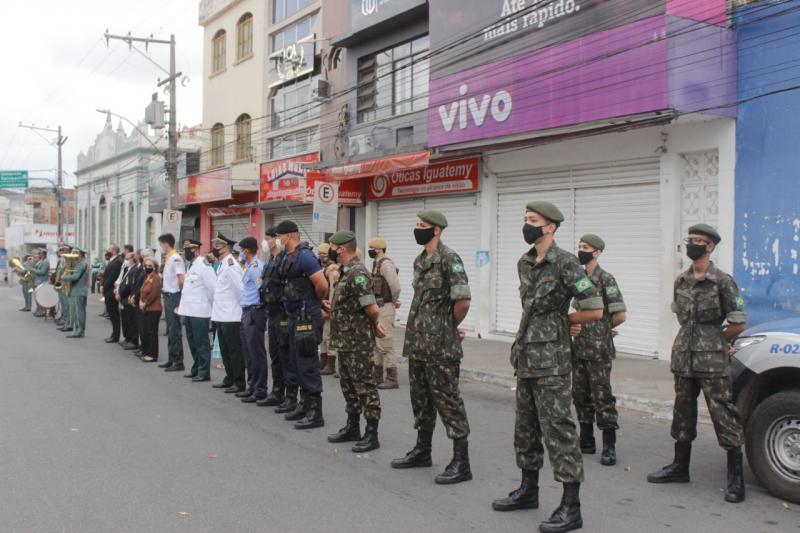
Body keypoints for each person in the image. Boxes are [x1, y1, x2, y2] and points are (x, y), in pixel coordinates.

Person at [491, 202, 603, 533]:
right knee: (525, 428)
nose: (527, 225)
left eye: (533, 221)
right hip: (526, 355)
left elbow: (594, 308)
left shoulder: (567, 262)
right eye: (525, 219)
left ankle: (571, 507)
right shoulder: (525, 262)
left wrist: (567, 319)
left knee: (559, 431)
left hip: (553, 360)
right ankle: (528, 490)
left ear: (550, 227)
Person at [647, 224, 747, 503]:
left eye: (698, 241)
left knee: (723, 412)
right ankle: (680, 467)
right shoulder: (681, 280)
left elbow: (738, 323)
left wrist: (716, 338)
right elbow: (680, 316)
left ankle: (736, 478)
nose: (692, 245)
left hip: (712, 360)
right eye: (689, 240)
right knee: (683, 410)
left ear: (710, 246)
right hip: (684, 355)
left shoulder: (723, 281)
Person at [390, 211, 473, 485]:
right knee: (421, 400)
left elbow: (463, 301)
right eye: (417, 225)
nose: (418, 229)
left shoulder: (450, 259)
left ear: (437, 230)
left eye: (422, 226)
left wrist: (448, 327)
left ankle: (461, 462)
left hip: (440, 347)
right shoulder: (420, 260)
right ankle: (422, 450)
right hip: (418, 344)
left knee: (448, 401)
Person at [324, 231, 386, 452]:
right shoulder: (344, 272)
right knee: (348, 384)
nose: (330, 250)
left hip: (357, 341)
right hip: (344, 340)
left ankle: (371, 433)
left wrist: (375, 323)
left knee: (365, 385)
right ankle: (352, 427)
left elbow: (371, 307)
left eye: (332, 246)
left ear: (341, 249)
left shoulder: (358, 273)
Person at [571, 234, 627, 466]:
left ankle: (609, 446)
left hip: (599, 350)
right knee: (580, 395)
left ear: (597, 252)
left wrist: (604, 329)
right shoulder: (580, 278)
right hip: (579, 347)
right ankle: (586, 440)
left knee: (602, 396)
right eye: (580, 246)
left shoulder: (606, 279)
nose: (581, 251)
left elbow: (620, 315)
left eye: (586, 248)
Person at [276, 220, 329, 430]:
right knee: (296, 362)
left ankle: (316, 412)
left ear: (289, 236)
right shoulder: (288, 257)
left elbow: (322, 285)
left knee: (307, 363)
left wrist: (314, 301)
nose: (278, 240)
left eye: (279, 236)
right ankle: (304, 404)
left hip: (307, 316)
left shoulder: (306, 257)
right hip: (293, 316)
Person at [257, 227, 291, 408]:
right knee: (275, 354)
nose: (265, 242)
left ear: (276, 240)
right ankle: (277, 391)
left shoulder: (284, 260)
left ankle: (288, 394)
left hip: (282, 313)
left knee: (284, 354)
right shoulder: (271, 260)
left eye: (268, 238)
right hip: (271, 312)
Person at [210, 233, 246, 393]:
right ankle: (229, 377)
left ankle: (239, 382)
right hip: (221, 315)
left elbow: (240, 290)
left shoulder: (231, 264)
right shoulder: (223, 264)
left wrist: (239, 312)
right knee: (225, 350)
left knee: (234, 351)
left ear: (226, 248)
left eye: (218, 246)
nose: (215, 249)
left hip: (231, 315)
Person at [177, 240, 217, 382]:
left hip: (200, 311)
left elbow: (212, 288)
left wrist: (213, 309)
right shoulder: (191, 265)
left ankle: (204, 371)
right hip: (188, 310)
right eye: (185, 249)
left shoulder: (204, 265)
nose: (186, 252)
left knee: (201, 343)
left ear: (196, 250)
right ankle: (196, 367)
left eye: (189, 249)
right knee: (192, 342)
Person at [237, 236, 269, 403]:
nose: (239, 254)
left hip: (255, 311)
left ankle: (260, 389)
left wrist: (260, 311)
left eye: (241, 250)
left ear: (246, 251)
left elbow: (261, 289)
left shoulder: (256, 267)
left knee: (256, 351)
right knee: (248, 351)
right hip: (247, 311)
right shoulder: (248, 266)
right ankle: (252, 386)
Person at [367, 237, 401, 389]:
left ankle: (392, 379)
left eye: (371, 248)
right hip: (378, 307)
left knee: (385, 342)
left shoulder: (386, 264)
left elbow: (395, 287)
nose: (370, 250)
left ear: (378, 249)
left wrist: (393, 301)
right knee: (377, 343)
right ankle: (377, 375)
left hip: (385, 307)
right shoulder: (377, 263)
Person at [157, 234, 185, 372]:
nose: (160, 247)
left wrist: (180, 295)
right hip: (168, 295)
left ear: (166, 244)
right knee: (170, 329)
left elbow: (181, 279)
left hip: (174, 296)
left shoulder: (176, 258)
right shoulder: (168, 257)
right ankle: (171, 358)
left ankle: (178, 361)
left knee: (175, 329)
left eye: (161, 244)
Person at [318, 243, 340, 375]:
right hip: (323, 305)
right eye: (320, 253)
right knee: (323, 336)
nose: (321, 256)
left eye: (324, 254)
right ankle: (323, 361)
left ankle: (330, 364)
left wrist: (330, 308)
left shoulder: (332, 268)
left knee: (329, 336)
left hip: (329, 306)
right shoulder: (324, 267)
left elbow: (333, 288)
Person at [139, 257, 163, 362]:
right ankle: (147, 351)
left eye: (150, 266)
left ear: (154, 267)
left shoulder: (156, 278)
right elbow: (142, 291)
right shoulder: (146, 277)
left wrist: (145, 302)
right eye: (146, 266)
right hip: (145, 308)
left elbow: (154, 293)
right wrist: (140, 301)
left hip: (154, 308)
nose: (147, 268)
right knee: (145, 331)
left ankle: (153, 354)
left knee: (152, 332)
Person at [62, 247, 88, 338]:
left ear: (79, 254)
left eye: (75, 254)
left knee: (79, 312)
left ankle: (79, 331)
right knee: (80, 312)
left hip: (78, 291)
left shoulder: (80, 264)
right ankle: (79, 330)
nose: (73, 256)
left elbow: (75, 277)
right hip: (80, 290)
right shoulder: (81, 263)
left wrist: (64, 277)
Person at [118, 250, 141, 350]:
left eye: (128, 259)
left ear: (133, 259)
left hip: (128, 297)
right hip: (123, 298)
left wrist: (122, 293)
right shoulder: (128, 268)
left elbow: (130, 285)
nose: (125, 261)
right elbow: (123, 282)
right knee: (126, 320)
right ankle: (127, 338)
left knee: (131, 321)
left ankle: (133, 340)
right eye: (125, 259)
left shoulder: (135, 269)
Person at [100, 245, 123, 342]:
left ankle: (115, 336)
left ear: (114, 251)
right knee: (112, 314)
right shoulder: (112, 260)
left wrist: (103, 287)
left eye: (108, 250)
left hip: (111, 291)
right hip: (108, 290)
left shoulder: (117, 261)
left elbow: (112, 277)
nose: (107, 251)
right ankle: (114, 334)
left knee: (114, 314)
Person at [54, 244, 71, 329]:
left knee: (66, 304)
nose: (63, 252)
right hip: (60, 284)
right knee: (63, 304)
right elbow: (58, 272)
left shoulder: (69, 260)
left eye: (65, 250)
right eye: (62, 250)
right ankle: (64, 319)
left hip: (65, 285)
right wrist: (56, 282)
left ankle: (67, 321)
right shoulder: (62, 260)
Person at [31, 248, 51, 318]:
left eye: (40, 253)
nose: (39, 255)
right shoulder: (41, 261)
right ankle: (38, 310)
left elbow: (42, 272)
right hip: (38, 281)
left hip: (42, 281)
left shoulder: (45, 262)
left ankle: (41, 311)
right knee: (37, 297)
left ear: (44, 254)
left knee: (40, 297)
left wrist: (33, 270)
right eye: (39, 253)